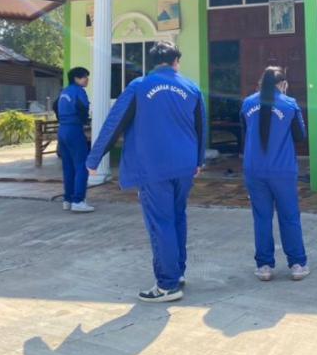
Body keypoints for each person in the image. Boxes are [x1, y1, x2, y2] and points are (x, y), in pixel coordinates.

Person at [86, 41, 206, 303]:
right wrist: (199, 160)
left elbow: (115, 122)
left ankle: (167, 285)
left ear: (152, 63)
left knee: (160, 223)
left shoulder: (139, 86)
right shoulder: (191, 88)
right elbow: (201, 127)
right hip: (184, 166)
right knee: (177, 218)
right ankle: (177, 272)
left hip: (153, 167)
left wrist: (94, 158)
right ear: (176, 61)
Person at [240, 67, 309, 281]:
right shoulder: (289, 104)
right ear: (283, 84)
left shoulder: (247, 103)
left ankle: (264, 266)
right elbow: (300, 135)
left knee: (262, 218)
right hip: (283, 171)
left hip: (254, 169)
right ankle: (297, 264)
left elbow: (245, 131)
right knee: (289, 216)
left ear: (261, 83)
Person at [56, 67, 94, 213]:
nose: (87, 80)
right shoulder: (79, 91)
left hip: (62, 130)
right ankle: (78, 200)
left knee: (68, 167)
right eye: (84, 77)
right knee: (81, 166)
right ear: (76, 79)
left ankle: (68, 200)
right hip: (74, 130)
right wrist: (85, 121)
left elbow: (55, 106)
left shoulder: (64, 91)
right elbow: (83, 108)